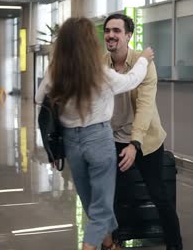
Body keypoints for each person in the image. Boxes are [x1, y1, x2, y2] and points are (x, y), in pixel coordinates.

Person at [35, 17, 154, 250]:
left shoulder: (55, 72)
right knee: (101, 206)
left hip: (71, 142)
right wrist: (143, 60)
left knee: (91, 201)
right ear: (89, 42)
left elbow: (39, 99)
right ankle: (91, 246)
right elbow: (131, 81)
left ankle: (109, 245)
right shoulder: (98, 72)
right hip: (98, 139)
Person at [103, 14, 183, 250]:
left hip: (146, 141)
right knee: (113, 197)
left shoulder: (144, 62)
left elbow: (146, 107)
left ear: (128, 35)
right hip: (114, 139)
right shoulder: (100, 64)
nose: (110, 35)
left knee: (159, 195)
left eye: (117, 31)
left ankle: (175, 244)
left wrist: (134, 144)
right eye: (107, 30)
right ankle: (113, 243)